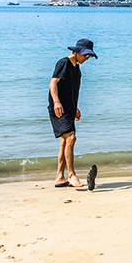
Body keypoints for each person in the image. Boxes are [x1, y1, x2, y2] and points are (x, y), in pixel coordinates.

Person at [49, 38, 98, 189]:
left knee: (65, 142)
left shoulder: (76, 67)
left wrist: (75, 107)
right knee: (71, 138)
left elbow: (70, 90)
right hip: (59, 109)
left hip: (69, 109)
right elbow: (53, 83)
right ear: (77, 52)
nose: (87, 59)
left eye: (89, 56)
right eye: (86, 55)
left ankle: (59, 177)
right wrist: (56, 102)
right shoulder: (64, 63)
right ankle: (71, 175)